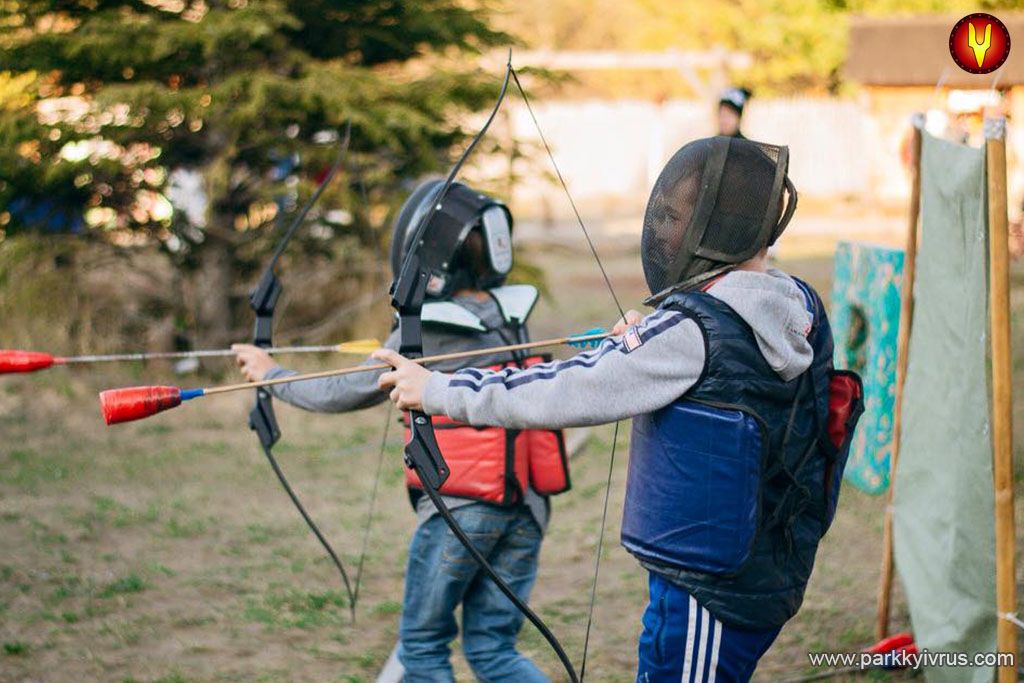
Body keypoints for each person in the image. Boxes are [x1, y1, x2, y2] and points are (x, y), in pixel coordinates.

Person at [374, 137, 864, 682]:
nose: (665, 231)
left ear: (709, 231)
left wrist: (437, 390)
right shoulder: (794, 302)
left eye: (677, 217)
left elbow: (564, 388)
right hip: (764, 561)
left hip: (710, 590)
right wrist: (648, 344)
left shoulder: (691, 331)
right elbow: (727, 372)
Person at [232, 180, 572, 683]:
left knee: (423, 648)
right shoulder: (511, 312)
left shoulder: (429, 326)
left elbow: (341, 391)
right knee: (493, 649)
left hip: (464, 508)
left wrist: (270, 374)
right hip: (526, 508)